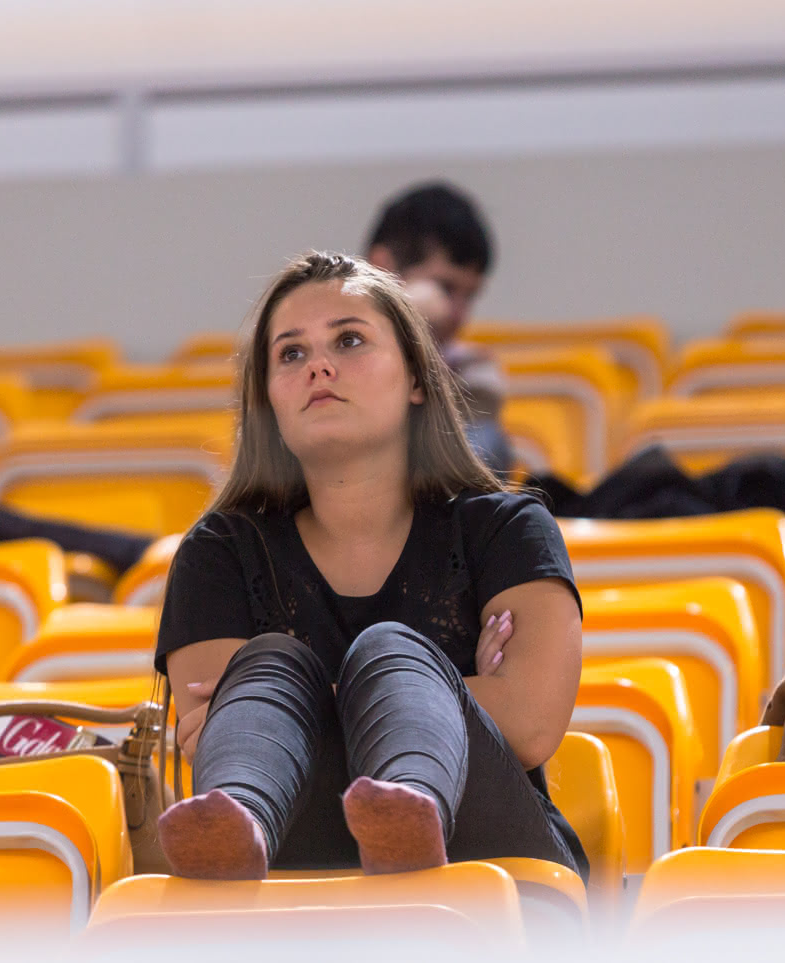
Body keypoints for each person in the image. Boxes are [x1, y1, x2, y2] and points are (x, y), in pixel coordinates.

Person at [153, 251, 586, 882]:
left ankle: (413, 816)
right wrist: (457, 692)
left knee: (383, 653)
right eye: (291, 354)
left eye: (349, 340)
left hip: (498, 867)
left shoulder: (507, 530)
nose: (319, 365)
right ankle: (238, 829)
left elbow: (527, 723)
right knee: (273, 666)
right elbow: (209, 738)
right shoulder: (218, 552)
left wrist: (277, 714)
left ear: (416, 378)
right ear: (269, 400)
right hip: (293, 877)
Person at [364, 181, 514, 473]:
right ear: (382, 269)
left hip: (429, 500)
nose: (457, 314)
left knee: (487, 440)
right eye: (444, 288)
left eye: (469, 296)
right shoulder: (322, 347)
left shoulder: (469, 366)